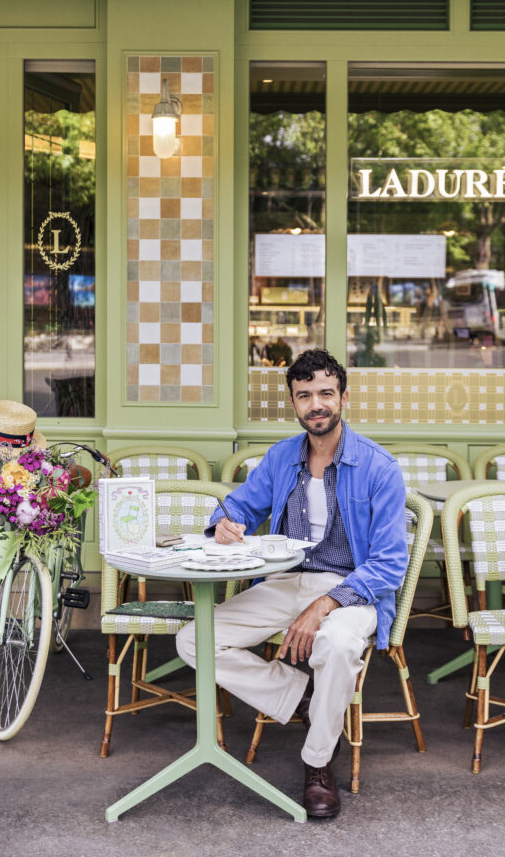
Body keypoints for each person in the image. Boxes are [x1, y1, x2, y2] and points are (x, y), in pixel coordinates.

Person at [176, 348, 407, 818]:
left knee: (339, 647)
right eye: (305, 396)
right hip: (287, 582)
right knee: (193, 639)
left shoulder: (379, 467)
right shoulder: (282, 458)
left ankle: (318, 764)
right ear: (293, 402)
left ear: (343, 397)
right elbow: (237, 507)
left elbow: (388, 565)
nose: (316, 404)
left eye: (325, 393)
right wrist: (224, 524)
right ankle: (302, 696)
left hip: (351, 588)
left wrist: (324, 605)